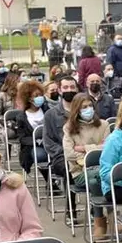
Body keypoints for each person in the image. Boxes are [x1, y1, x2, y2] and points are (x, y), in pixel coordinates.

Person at [63, 93, 111, 237]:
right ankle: (109, 216)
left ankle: (101, 221)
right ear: (77, 109)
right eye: (84, 107)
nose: (88, 109)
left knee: (98, 176)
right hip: (79, 172)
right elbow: (69, 154)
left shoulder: (104, 124)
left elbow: (108, 149)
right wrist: (96, 148)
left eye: (90, 106)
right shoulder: (69, 127)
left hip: (103, 168)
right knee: (95, 176)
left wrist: (84, 148)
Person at [43, 76, 78, 204]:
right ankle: (71, 207)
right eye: (66, 87)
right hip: (61, 157)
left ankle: (95, 209)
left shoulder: (83, 111)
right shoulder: (51, 114)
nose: (69, 90)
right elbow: (48, 142)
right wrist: (67, 152)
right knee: (69, 168)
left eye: (72, 87)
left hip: (83, 153)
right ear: (59, 90)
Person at [16, 80, 50, 180]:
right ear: (29, 98)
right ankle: (49, 179)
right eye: (36, 96)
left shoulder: (47, 110)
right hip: (33, 146)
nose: (39, 98)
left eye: (40, 95)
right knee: (40, 155)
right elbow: (22, 138)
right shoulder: (21, 117)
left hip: (49, 143)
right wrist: (36, 141)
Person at [0, 73, 19, 145]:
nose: (20, 83)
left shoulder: (20, 95)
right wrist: (9, 124)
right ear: (12, 83)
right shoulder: (1, 96)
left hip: (17, 123)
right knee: (13, 133)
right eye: (18, 81)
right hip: (1, 124)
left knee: (27, 132)